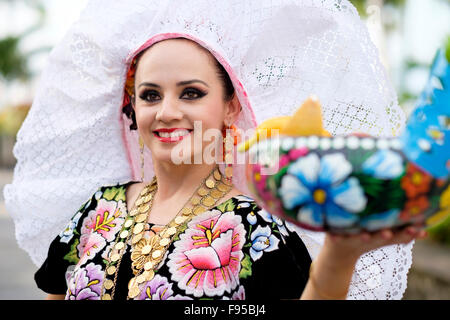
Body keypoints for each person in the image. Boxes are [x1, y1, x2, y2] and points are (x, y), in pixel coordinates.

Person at [4, 0, 423, 300]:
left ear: (230, 106)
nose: (166, 111)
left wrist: (340, 252)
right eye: (150, 95)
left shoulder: (254, 228)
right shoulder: (98, 210)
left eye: (190, 93)